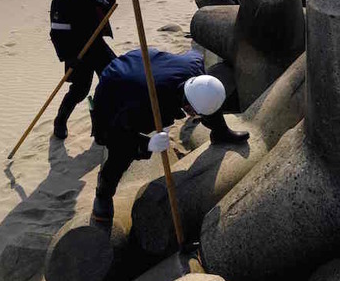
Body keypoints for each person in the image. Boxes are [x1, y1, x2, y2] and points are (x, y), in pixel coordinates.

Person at [89, 48, 248, 221]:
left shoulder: (195, 70)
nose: (194, 116)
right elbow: (114, 136)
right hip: (115, 86)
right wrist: (147, 144)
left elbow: (196, 60)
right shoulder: (144, 105)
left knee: (206, 97)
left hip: (148, 64)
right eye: (195, 113)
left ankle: (221, 133)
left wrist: (215, 119)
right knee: (120, 153)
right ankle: (103, 194)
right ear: (186, 106)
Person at [49, 0, 116, 139]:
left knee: (114, 77)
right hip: (77, 51)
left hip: (96, 45)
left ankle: (103, 121)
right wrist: (68, 57)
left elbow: (110, 4)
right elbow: (57, 34)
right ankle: (60, 121)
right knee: (80, 90)